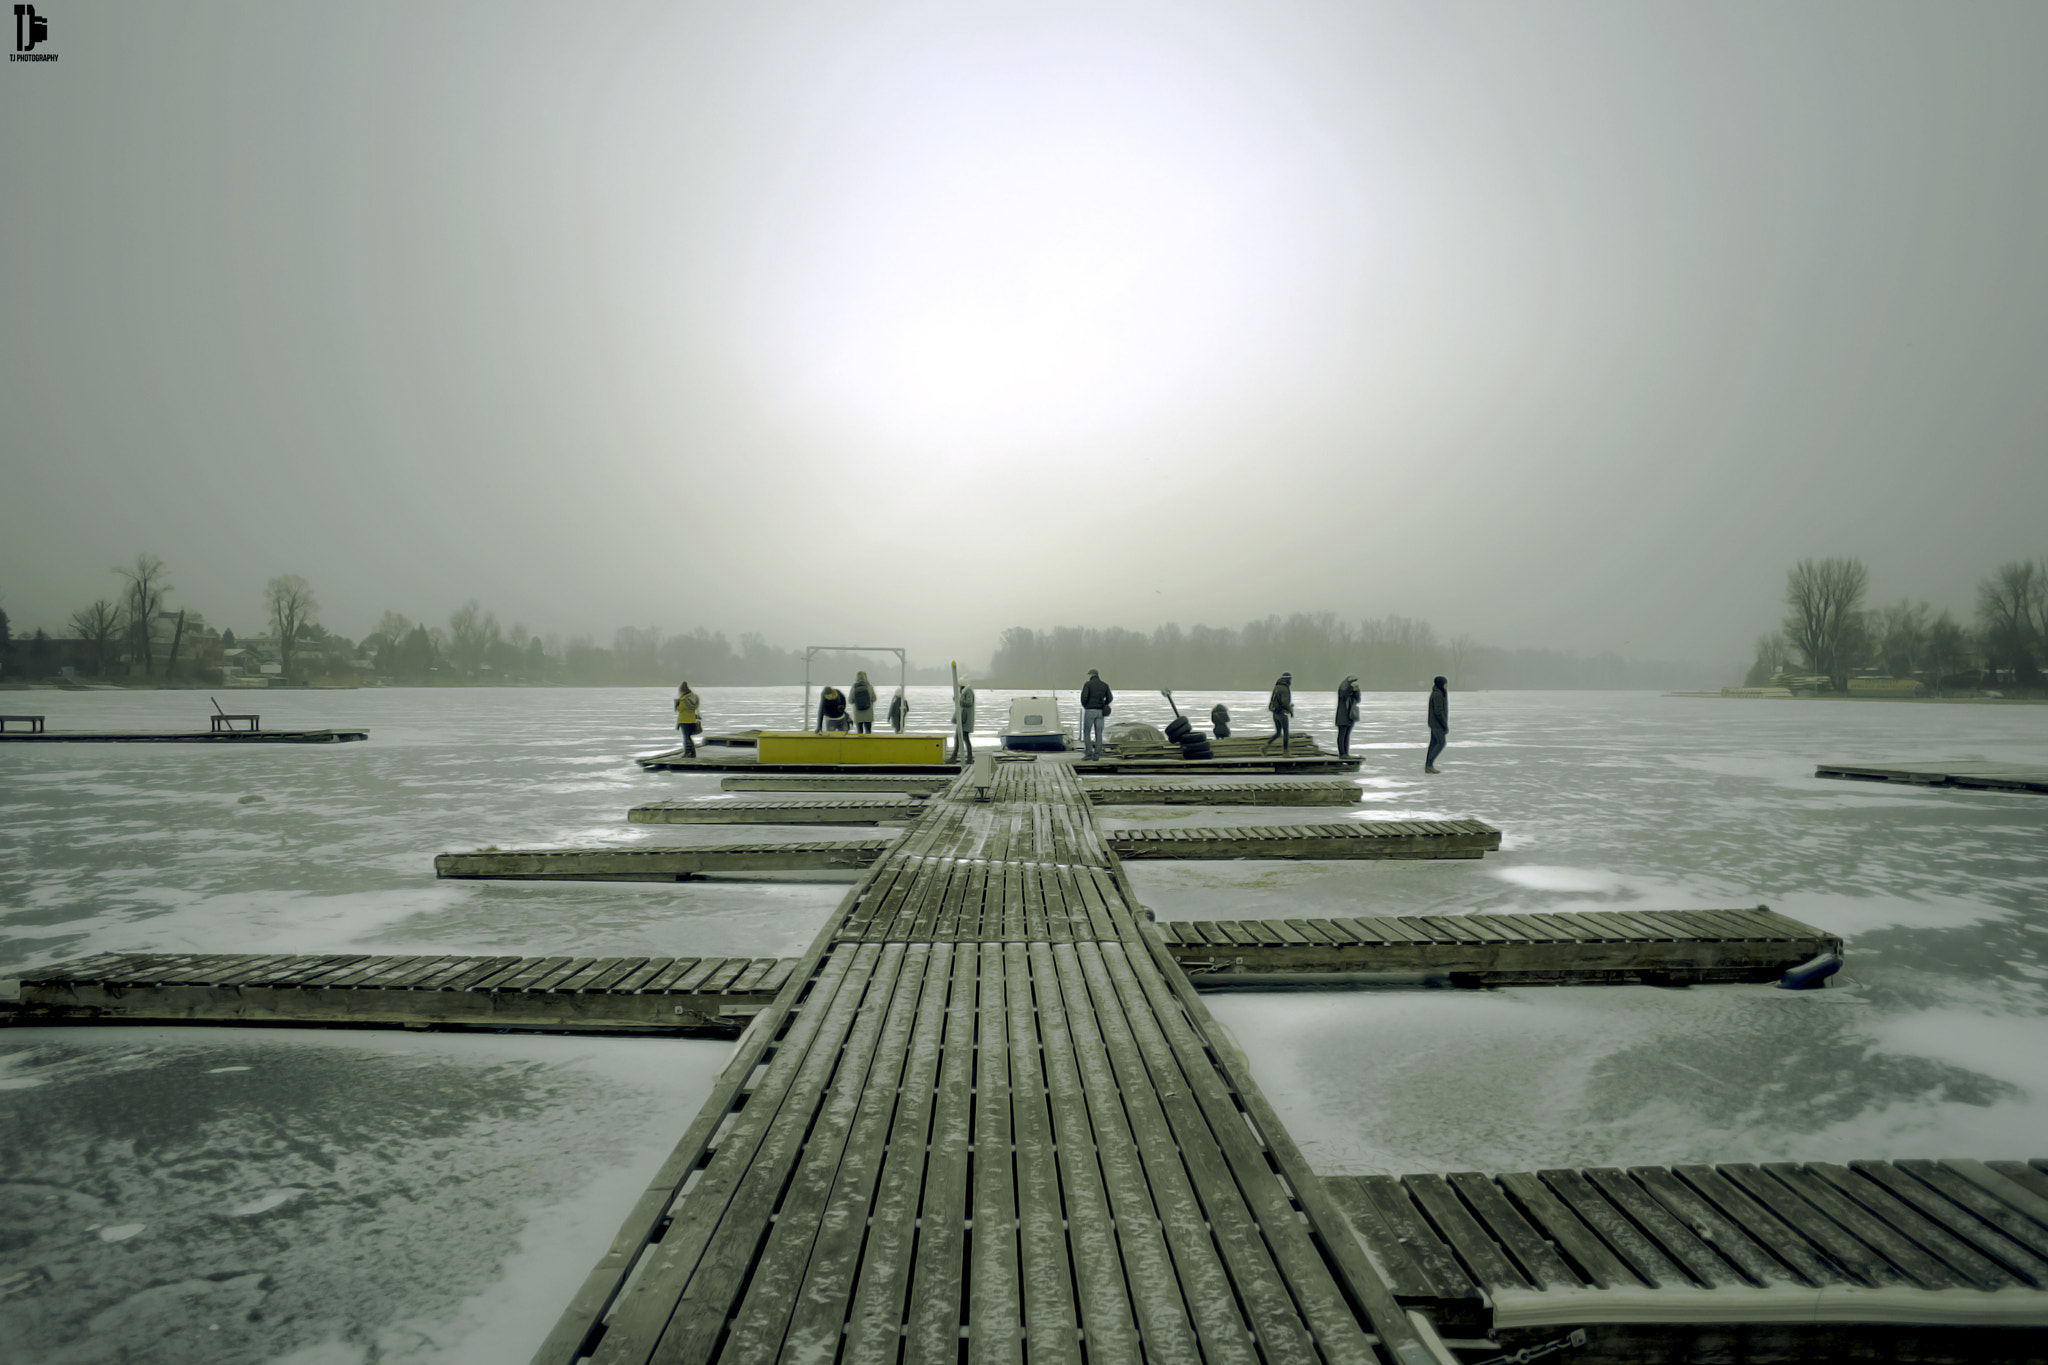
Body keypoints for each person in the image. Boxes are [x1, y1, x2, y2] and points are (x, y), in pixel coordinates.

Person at [1078, 668, 1112, 760]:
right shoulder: (1104, 685)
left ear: (1091, 675)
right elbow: (1110, 698)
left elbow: (1083, 697)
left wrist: (1086, 706)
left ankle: (1088, 754)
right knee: (1099, 733)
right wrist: (1104, 704)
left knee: (1087, 732)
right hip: (1100, 712)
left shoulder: (1088, 684)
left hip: (1090, 710)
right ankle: (1097, 755)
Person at [1262, 672, 1294, 752]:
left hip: (1275, 713)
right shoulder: (1284, 688)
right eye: (1290, 679)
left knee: (1278, 733)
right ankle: (1285, 752)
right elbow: (1284, 702)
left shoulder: (1277, 686)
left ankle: (1265, 747)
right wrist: (1291, 710)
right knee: (1286, 733)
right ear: (1288, 679)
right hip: (1282, 714)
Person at [1425, 675, 1449, 773]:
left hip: (1435, 723)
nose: (1446, 686)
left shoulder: (1440, 692)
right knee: (1441, 743)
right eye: (1445, 684)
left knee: (1434, 743)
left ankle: (1428, 765)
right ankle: (1429, 764)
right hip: (1437, 724)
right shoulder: (1437, 695)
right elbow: (1438, 712)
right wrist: (1444, 725)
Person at [1335, 674, 1362, 759]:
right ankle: (1342, 753)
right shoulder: (1342, 688)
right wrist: (1350, 688)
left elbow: (1358, 700)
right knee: (1342, 734)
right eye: (1353, 681)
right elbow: (1343, 697)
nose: (1354, 683)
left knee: (1347, 735)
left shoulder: (1353, 689)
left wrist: (1356, 691)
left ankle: (1346, 753)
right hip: (1342, 715)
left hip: (1350, 716)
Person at [673, 681, 702, 758]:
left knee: (686, 738)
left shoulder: (683, 699)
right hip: (692, 720)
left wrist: (677, 704)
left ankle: (688, 753)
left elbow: (680, 709)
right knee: (688, 737)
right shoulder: (694, 697)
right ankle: (692, 753)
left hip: (684, 721)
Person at [952, 680, 976, 761]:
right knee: (961, 738)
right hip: (964, 719)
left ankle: (956, 757)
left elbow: (969, 702)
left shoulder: (968, 691)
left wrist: (958, 700)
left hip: (965, 720)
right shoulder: (966, 691)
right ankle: (967, 757)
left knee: (962, 738)